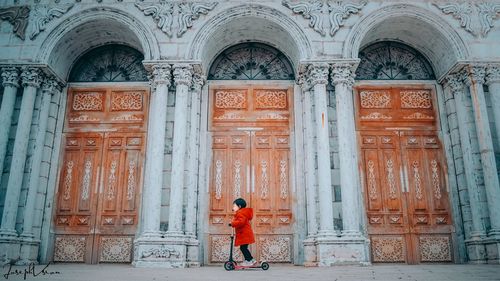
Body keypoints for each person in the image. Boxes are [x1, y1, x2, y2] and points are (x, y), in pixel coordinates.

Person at [229, 198, 256, 266]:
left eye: (234, 206)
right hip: (245, 234)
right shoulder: (242, 213)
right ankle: (251, 260)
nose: (233, 208)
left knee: (243, 248)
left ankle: (249, 260)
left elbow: (241, 222)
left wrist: (232, 223)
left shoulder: (241, 213)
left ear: (239, 206)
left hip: (244, 234)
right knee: (244, 248)